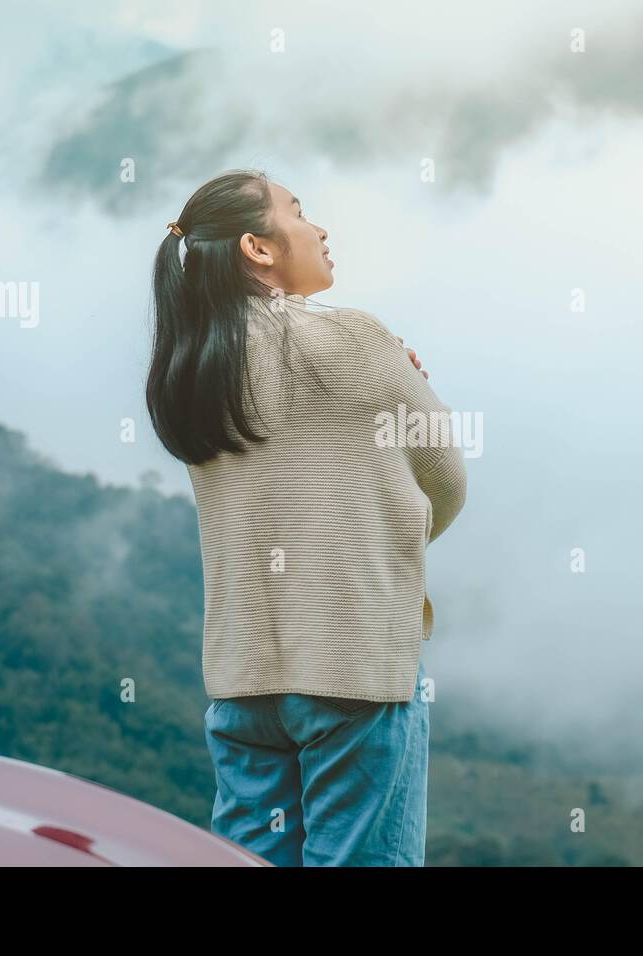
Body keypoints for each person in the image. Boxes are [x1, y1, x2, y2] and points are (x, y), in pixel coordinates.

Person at [145, 169, 468, 865]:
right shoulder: (355, 341)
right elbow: (445, 482)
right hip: (354, 666)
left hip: (243, 682)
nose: (318, 229)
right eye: (298, 212)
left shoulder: (189, 370)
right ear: (257, 248)